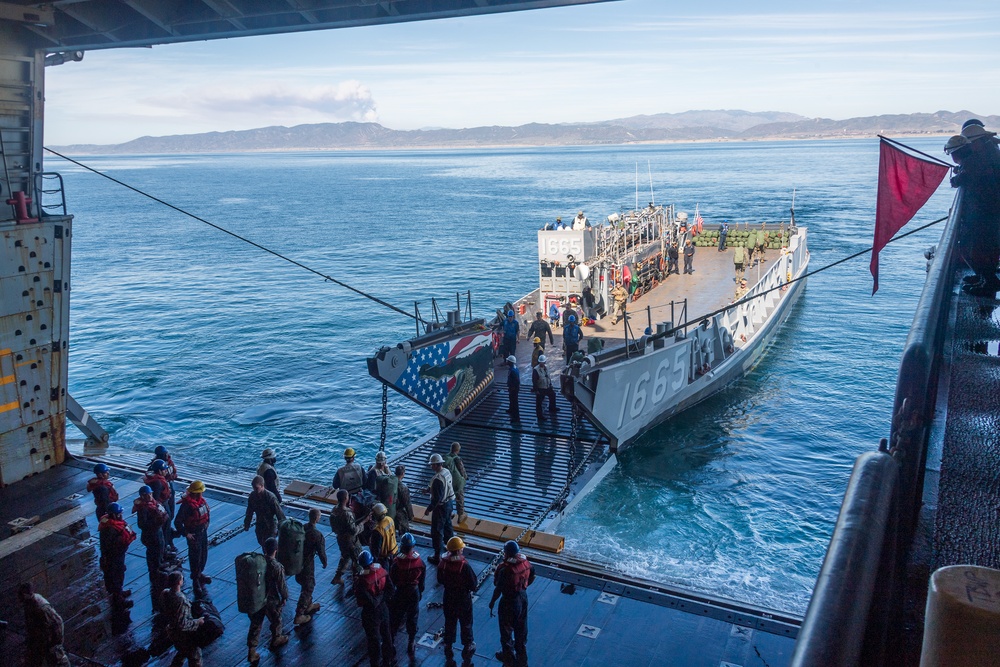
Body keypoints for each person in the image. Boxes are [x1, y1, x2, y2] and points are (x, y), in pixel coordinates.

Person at [488, 540, 536, 667]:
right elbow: (533, 575)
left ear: (507, 553)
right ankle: (521, 648)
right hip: (523, 597)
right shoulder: (526, 563)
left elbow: (498, 588)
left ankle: (508, 655)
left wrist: (492, 602)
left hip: (509, 600)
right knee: (521, 625)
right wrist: (524, 587)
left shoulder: (504, 569)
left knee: (506, 629)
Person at [247, 537, 289, 664]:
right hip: (271, 600)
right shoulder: (276, 566)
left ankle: (252, 651)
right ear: (276, 550)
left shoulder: (257, 562)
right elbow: (281, 585)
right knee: (276, 620)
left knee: (256, 624)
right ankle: (276, 638)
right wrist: (285, 597)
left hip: (257, 598)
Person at [437, 536, 477, 664]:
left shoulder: (443, 563)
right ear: (459, 550)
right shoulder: (464, 566)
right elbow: (473, 584)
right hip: (463, 598)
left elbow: (439, 579)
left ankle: (448, 643)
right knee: (466, 622)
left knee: (450, 621)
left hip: (448, 596)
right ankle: (468, 644)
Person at [354, 549, 395, 667]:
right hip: (384, 609)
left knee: (374, 641)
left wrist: (377, 599)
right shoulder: (382, 571)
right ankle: (388, 661)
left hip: (370, 614)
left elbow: (369, 602)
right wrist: (381, 596)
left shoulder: (361, 582)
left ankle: (375, 663)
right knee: (387, 636)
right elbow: (391, 590)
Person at [389, 532, 425, 659]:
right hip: (414, 591)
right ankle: (411, 641)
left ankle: (391, 641)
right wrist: (420, 591)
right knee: (413, 617)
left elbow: (391, 579)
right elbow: (422, 580)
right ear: (413, 547)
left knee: (395, 617)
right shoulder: (420, 562)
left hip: (400, 591)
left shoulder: (396, 563)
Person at [132, 485, 169, 610]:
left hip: (157, 531)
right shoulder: (143, 509)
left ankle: (159, 564)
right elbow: (142, 524)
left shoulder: (154, 504)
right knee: (153, 551)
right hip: (151, 533)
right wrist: (157, 522)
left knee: (160, 547)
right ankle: (155, 571)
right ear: (142, 496)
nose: (149, 497)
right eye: (147, 495)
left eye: (150, 494)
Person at [18, 582, 70, 667]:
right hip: (41, 640)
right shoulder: (29, 602)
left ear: (26, 594)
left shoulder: (42, 608)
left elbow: (58, 623)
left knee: (59, 661)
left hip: (49, 642)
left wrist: (56, 644)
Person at [174, 480, 211, 596]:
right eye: (199, 492)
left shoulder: (201, 502)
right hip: (194, 534)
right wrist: (186, 534)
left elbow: (206, 514)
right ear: (194, 493)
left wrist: (206, 524)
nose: (201, 494)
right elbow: (177, 522)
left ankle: (200, 574)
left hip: (202, 532)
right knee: (195, 557)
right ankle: (195, 580)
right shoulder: (187, 506)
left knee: (203, 554)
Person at [161, 572, 204, 667]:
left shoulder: (166, 593)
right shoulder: (180, 599)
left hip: (172, 631)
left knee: (182, 652)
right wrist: (198, 622)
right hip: (183, 635)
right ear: (179, 582)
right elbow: (182, 623)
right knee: (195, 656)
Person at [98, 502, 136, 608]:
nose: (121, 515)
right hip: (113, 557)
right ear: (114, 515)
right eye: (119, 513)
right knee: (115, 577)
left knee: (119, 574)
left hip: (118, 555)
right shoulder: (109, 529)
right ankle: (118, 599)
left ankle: (119, 592)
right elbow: (110, 545)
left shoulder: (112, 525)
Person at [294, 508, 326, 625]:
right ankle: (299, 614)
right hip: (307, 563)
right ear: (317, 518)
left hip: (297, 561)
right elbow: (321, 551)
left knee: (304, 582)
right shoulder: (317, 534)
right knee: (309, 586)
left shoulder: (302, 528)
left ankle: (308, 605)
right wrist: (324, 562)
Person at [423, 453, 455, 564]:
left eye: (432, 465)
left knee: (437, 531)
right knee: (448, 526)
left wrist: (429, 509)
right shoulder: (446, 472)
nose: (431, 467)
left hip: (440, 507)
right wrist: (428, 490)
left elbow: (437, 498)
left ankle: (437, 556)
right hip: (450, 503)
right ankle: (452, 548)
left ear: (437, 465)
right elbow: (444, 487)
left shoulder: (437, 478)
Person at [330, 489, 367, 586]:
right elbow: (354, 531)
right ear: (346, 498)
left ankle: (337, 577)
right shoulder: (347, 513)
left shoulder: (334, 510)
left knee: (345, 557)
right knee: (358, 559)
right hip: (351, 540)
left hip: (340, 538)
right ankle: (360, 581)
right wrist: (363, 522)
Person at [148, 446, 178, 553]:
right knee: (166, 519)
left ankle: (168, 536)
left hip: (169, 491)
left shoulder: (168, 463)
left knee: (171, 516)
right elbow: (155, 497)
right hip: (163, 498)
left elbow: (174, 472)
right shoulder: (156, 475)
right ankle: (166, 543)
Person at [244, 475, 285, 548]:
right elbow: (249, 512)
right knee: (262, 543)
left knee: (269, 545)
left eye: (256, 488)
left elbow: (279, 514)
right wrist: (247, 524)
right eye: (253, 488)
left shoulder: (270, 497)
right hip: (260, 524)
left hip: (271, 525)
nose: (254, 490)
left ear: (262, 486)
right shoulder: (253, 496)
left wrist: (283, 528)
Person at [444, 442, 469, 523]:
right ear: (458, 450)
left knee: (448, 497)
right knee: (459, 497)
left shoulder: (446, 457)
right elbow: (462, 470)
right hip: (456, 482)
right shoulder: (457, 458)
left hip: (447, 481)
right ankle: (461, 514)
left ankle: (449, 513)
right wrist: (465, 477)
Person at [369, 503, 398, 569]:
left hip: (384, 558)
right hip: (394, 551)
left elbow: (376, 549)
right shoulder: (389, 519)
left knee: (384, 575)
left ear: (376, 515)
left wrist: (374, 563)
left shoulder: (378, 530)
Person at [394, 465, 414, 535]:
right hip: (399, 513)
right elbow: (407, 504)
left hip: (389, 511)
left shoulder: (390, 484)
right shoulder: (403, 487)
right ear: (403, 474)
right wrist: (411, 516)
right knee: (405, 531)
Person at [506, 355, 521, 423]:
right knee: (511, 400)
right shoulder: (514, 368)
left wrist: (512, 388)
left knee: (515, 402)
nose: (507, 362)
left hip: (514, 389)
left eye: (508, 361)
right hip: (513, 388)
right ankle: (511, 409)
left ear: (510, 362)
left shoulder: (512, 371)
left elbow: (516, 381)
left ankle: (516, 418)